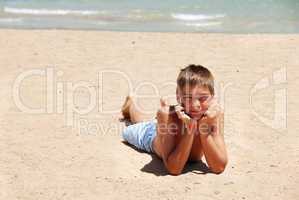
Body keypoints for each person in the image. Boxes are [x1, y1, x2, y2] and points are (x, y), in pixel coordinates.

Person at [121, 64, 228, 175]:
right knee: (133, 129)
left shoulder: (215, 115)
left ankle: (132, 105)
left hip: (166, 126)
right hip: (150, 135)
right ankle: (131, 104)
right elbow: (174, 169)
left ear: (212, 96)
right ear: (178, 96)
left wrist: (203, 130)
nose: (195, 105)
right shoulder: (167, 116)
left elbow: (219, 167)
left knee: (149, 121)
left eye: (202, 98)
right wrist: (190, 129)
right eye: (187, 97)